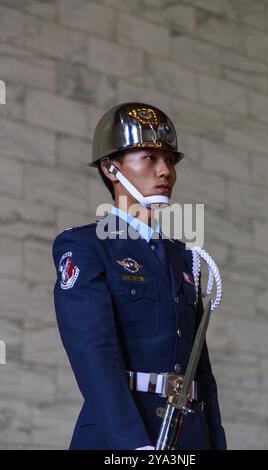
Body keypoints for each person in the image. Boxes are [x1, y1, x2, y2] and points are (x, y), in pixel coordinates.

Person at [52, 102, 226, 450]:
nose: (166, 172)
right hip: (126, 435)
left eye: (170, 161)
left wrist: (215, 442)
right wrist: (134, 446)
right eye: (149, 158)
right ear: (110, 167)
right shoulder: (86, 246)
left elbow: (199, 371)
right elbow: (94, 354)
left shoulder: (184, 257)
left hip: (188, 434)